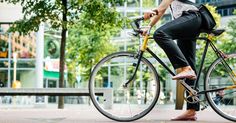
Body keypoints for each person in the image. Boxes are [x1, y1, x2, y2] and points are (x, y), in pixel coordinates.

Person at [143, 0, 202, 121]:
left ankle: (186, 69)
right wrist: (149, 25)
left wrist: (153, 11)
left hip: (191, 17)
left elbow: (161, 7)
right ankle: (191, 111)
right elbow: (163, 9)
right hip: (187, 22)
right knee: (189, 64)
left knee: (160, 34)